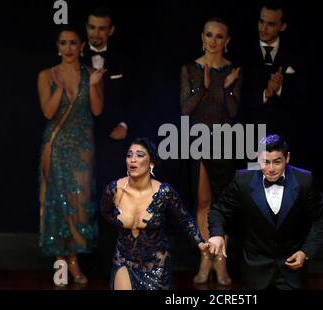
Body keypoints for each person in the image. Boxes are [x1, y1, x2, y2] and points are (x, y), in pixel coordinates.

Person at [208, 135, 323, 289]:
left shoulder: (304, 180)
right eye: (265, 162)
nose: (271, 169)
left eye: (277, 162)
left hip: (292, 268)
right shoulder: (242, 180)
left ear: (287, 158)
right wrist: (217, 234)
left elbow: (321, 220)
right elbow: (219, 211)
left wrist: (305, 252)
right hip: (254, 269)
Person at [37, 24, 106, 286]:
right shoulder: (46, 75)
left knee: (79, 204)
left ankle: (75, 260)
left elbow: (98, 111)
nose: (68, 48)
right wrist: (61, 88)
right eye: (63, 43)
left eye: (73, 43)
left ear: (82, 47)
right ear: (58, 47)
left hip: (83, 146)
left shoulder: (91, 73)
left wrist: (94, 85)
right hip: (55, 145)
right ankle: (60, 262)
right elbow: (47, 112)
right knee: (56, 201)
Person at [180, 17, 241, 286]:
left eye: (219, 36)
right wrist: (202, 86)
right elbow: (185, 108)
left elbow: (233, 111)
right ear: (202, 37)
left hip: (225, 141)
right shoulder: (189, 68)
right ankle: (206, 257)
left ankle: (221, 261)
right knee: (204, 203)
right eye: (209, 35)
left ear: (226, 41)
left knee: (222, 205)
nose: (213, 41)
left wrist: (227, 88)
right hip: (198, 140)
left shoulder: (233, 70)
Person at [100, 137, 207, 290]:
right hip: (124, 259)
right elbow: (105, 210)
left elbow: (185, 219)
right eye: (129, 155)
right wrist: (120, 221)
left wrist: (201, 242)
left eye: (139, 155)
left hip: (156, 265)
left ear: (151, 163)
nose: (133, 160)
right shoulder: (114, 189)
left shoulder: (164, 192)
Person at [83, 6, 134, 277]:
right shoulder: (75, 56)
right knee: (81, 202)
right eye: (92, 27)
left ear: (111, 30)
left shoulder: (123, 59)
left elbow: (133, 96)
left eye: (102, 28)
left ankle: (107, 264)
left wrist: (126, 125)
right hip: (80, 142)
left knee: (111, 202)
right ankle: (81, 264)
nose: (97, 33)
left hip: (113, 144)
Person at [241, 0, 306, 162]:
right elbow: (240, 95)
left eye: (270, 24)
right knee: (252, 184)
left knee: (284, 185)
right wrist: (266, 92)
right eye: (261, 22)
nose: (264, 28)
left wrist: (279, 89)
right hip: (251, 136)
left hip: (285, 136)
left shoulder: (296, 54)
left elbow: (304, 96)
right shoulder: (243, 53)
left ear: (282, 26)